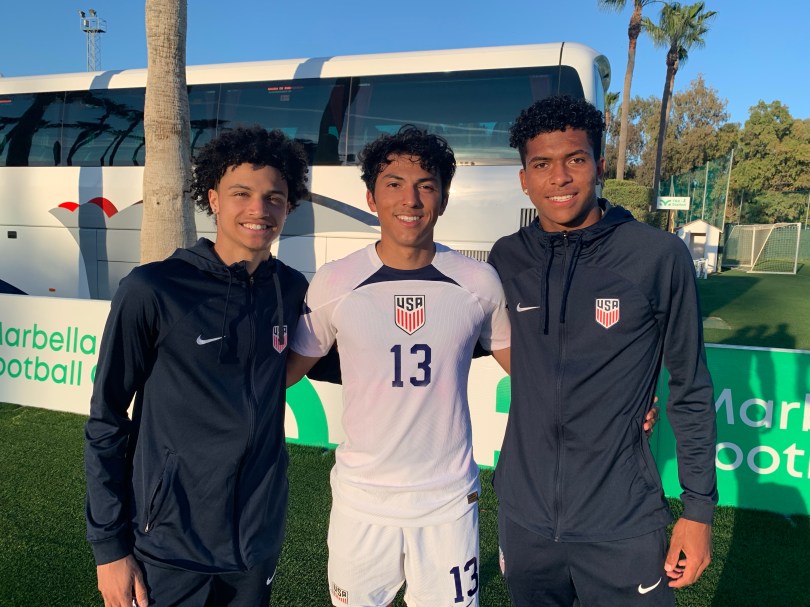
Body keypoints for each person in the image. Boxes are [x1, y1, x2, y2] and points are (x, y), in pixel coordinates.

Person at [488, 96, 718, 606]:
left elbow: (691, 387)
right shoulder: (508, 257)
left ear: (599, 164)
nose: (559, 177)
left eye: (575, 159)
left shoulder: (657, 255)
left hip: (622, 519)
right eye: (541, 164)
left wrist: (699, 510)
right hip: (524, 517)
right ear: (524, 179)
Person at [84, 126, 310, 607]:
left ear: (288, 206)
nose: (259, 209)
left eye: (274, 197)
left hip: (256, 546)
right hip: (167, 545)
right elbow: (106, 419)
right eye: (241, 194)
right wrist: (109, 549)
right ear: (213, 199)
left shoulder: (292, 290)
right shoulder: (153, 289)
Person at [286, 126, 511, 607]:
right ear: (371, 197)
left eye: (426, 185)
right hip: (362, 501)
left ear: (443, 200)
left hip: (447, 502)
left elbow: (532, 373)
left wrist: (621, 403)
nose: (410, 199)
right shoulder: (335, 281)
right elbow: (283, 372)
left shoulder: (479, 282)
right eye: (393, 184)